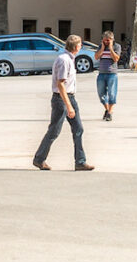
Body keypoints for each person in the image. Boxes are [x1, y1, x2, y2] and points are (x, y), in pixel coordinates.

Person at [33, 35, 93, 171]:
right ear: (76, 47)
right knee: (54, 131)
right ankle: (39, 159)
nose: (81, 47)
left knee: (78, 129)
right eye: (80, 45)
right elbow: (60, 84)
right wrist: (69, 106)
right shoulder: (64, 60)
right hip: (61, 99)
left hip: (70, 97)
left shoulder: (69, 59)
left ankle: (80, 161)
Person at [95, 31, 124, 121]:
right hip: (101, 73)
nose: (106, 42)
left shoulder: (117, 46)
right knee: (101, 94)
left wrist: (111, 48)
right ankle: (107, 110)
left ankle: (110, 112)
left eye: (108, 40)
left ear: (112, 39)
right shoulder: (101, 47)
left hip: (112, 73)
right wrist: (103, 48)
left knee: (112, 93)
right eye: (105, 40)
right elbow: (96, 57)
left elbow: (116, 59)